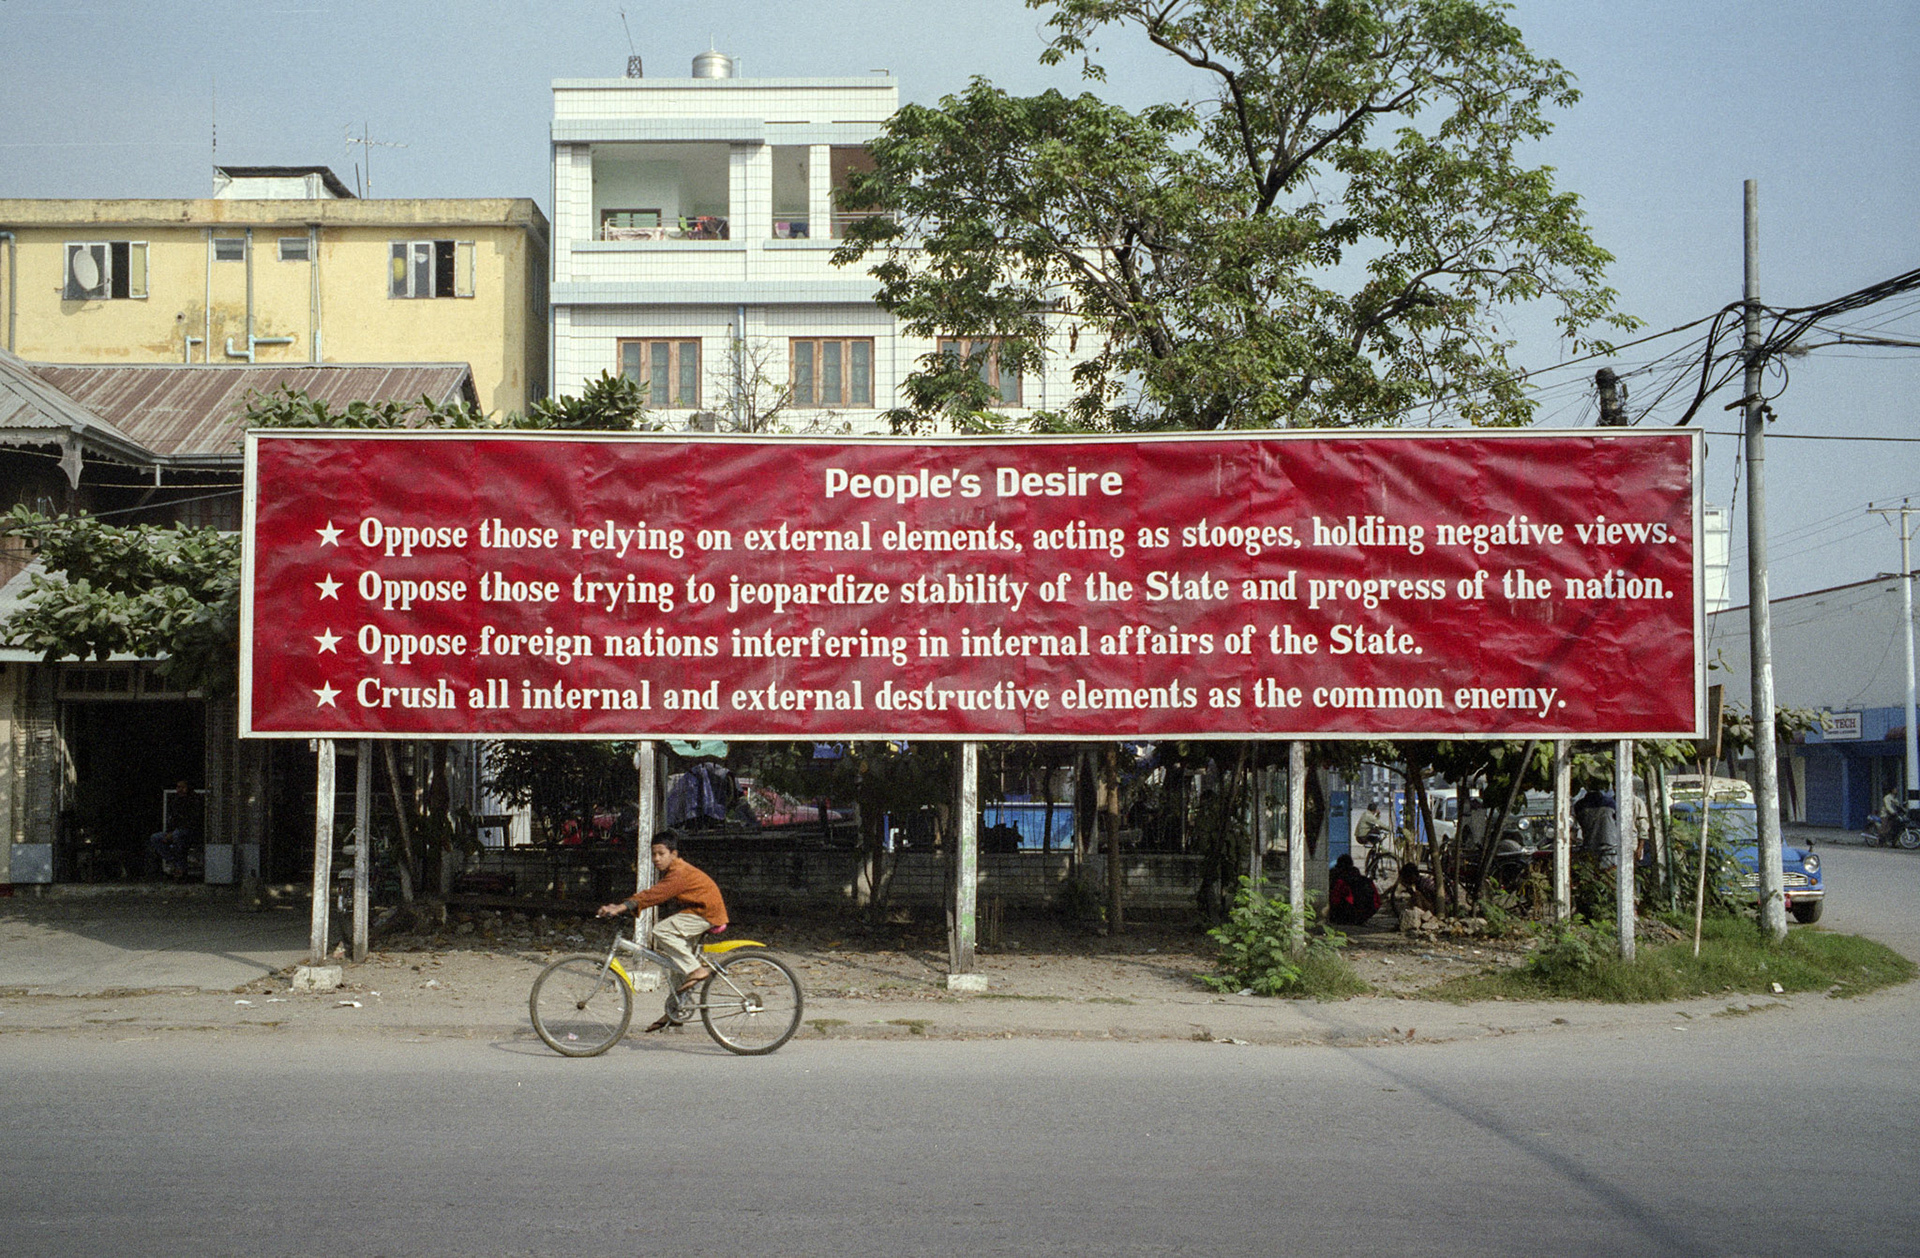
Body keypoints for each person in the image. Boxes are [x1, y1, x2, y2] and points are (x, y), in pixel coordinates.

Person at [597, 829, 729, 1032]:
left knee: (661, 931)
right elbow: (654, 893)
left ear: (674, 854)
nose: (656, 859)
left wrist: (621, 907)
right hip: (698, 911)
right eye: (653, 854)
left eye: (661, 854)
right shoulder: (674, 871)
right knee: (677, 965)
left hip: (705, 913)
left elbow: (655, 895)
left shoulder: (679, 872)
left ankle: (697, 970)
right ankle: (675, 1012)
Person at [145, 781, 199, 879]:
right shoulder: (175, 801)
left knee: (177, 835)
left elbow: (192, 822)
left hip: (191, 832)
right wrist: (169, 833)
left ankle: (180, 868)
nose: (180, 790)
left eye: (183, 787)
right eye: (178, 787)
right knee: (155, 838)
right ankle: (176, 863)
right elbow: (173, 820)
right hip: (175, 831)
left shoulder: (194, 801)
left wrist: (173, 833)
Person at [1327, 853, 1380, 925]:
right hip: (1366, 913)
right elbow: (1377, 901)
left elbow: (1335, 900)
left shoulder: (1339, 880)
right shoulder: (1365, 880)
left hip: (1345, 914)